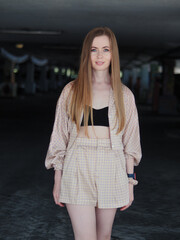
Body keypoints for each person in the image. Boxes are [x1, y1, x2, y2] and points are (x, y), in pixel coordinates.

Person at [45, 27, 142, 240]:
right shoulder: (71, 90)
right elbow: (59, 136)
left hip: (112, 166)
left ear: (113, 54)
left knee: (103, 236)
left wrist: (130, 183)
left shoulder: (124, 95)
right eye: (94, 49)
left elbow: (130, 143)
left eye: (105, 49)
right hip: (78, 165)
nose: (99, 55)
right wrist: (57, 177)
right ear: (86, 54)